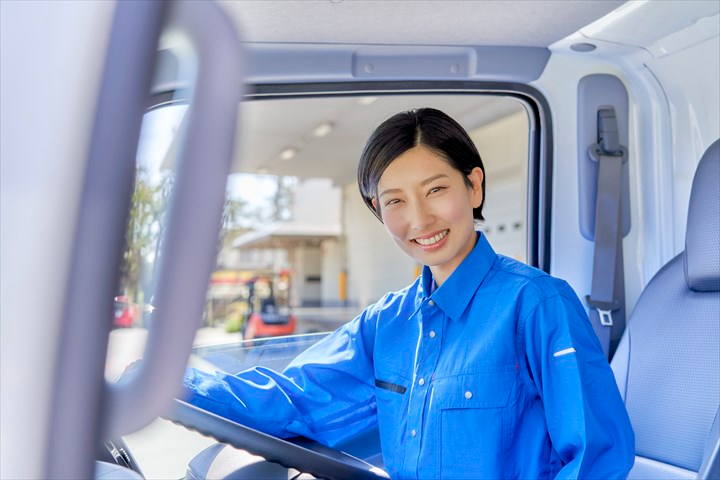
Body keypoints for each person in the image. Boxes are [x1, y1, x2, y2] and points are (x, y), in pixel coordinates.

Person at [183, 108, 635, 479]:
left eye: (436, 190)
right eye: (396, 201)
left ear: (474, 185)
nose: (419, 220)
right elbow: (295, 396)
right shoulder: (386, 322)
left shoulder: (539, 304)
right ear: (379, 211)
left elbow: (594, 462)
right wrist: (171, 387)